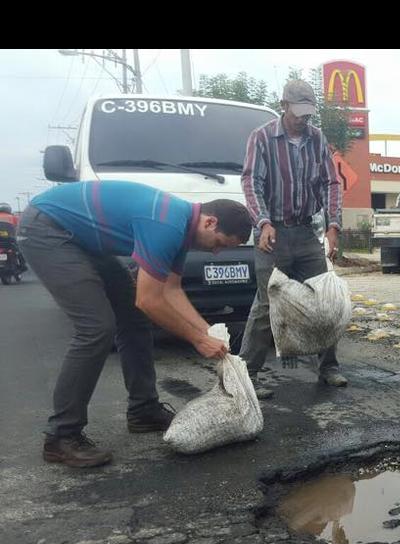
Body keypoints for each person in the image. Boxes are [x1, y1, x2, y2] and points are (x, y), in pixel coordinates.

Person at [18, 180, 252, 467]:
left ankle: (143, 411)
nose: (216, 253)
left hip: (84, 242)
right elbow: (150, 300)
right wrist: (197, 339)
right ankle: (61, 436)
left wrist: (209, 333)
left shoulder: (182, 229)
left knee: (133, 320)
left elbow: (172, 290)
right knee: (96, 328)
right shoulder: (166, 224)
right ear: (210, 222)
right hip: (48, 229)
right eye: (219, 244)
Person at [240, 79, 347, 398]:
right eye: (298, 111)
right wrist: (262, 222)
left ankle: (328, 365)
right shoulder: (261, 138)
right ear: (284, 106)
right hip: (272, 234)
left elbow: (331, 183)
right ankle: (248, 375)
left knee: (324, 298)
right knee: (266, 304)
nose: (304, 118)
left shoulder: (317, 139)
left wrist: (333, 225)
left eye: (308, 113)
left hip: (304, 231)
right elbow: (251, 183)